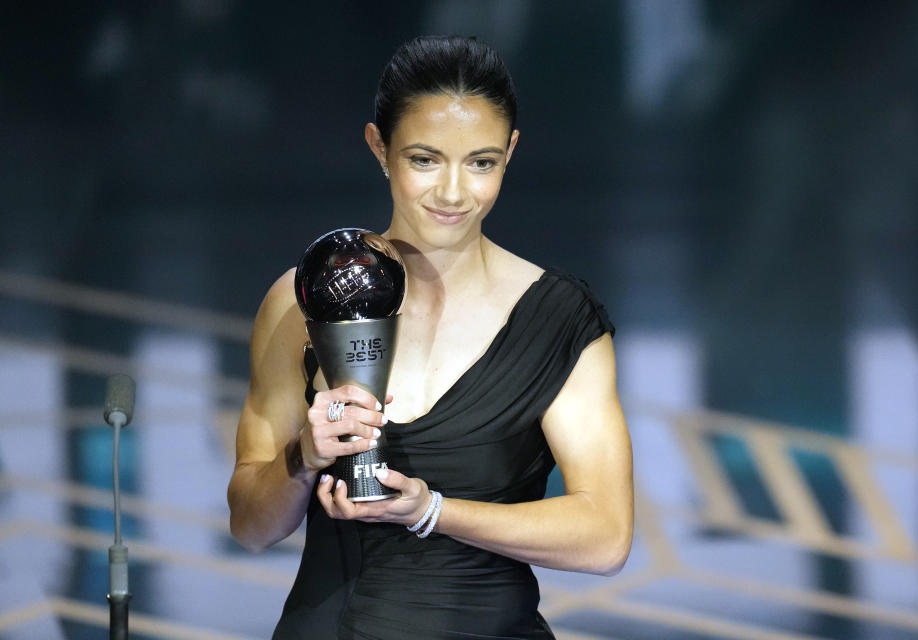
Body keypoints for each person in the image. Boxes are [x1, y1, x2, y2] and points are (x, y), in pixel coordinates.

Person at [227, 35, 634, 639]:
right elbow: (250, 525)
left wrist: (433, 511)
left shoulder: (559, 319)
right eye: (424, 159)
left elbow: (606, 536)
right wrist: (303, 459)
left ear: (510, 153)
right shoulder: (302, 298)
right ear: (379, 147)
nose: (452, 192)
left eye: (481, 162)